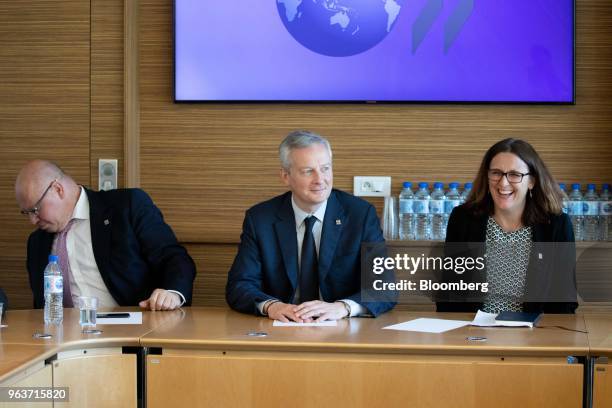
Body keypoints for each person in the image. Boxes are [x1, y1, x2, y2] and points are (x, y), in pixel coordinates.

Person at [226, 130, 395, 322]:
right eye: (308, 171)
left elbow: (384, 287)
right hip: (282, 328)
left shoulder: (360, 215)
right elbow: (239, 285)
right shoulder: (260, 219)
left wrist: (343, 307)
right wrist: (272, 306)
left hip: (342, 328)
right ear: (286, 176)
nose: (320, 179)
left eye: (325, 168)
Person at [15, 160, 196, 311]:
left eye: (35, 210)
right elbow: (42, 308)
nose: (33, 220)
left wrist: (172, 293)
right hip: (64, 343)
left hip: (130, 333)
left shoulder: (127, 206)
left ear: (58, 189)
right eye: (27, 213)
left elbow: (173, 258)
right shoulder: (37, 243)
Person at [436, 138, 578, 314]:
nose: (503, 183)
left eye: (514, 175)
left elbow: (564, 301)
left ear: (532, 181)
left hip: (534, 336)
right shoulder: (463, 219)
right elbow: (449, 294)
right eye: (496, 173)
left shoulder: (556, 225)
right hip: (473, 334)